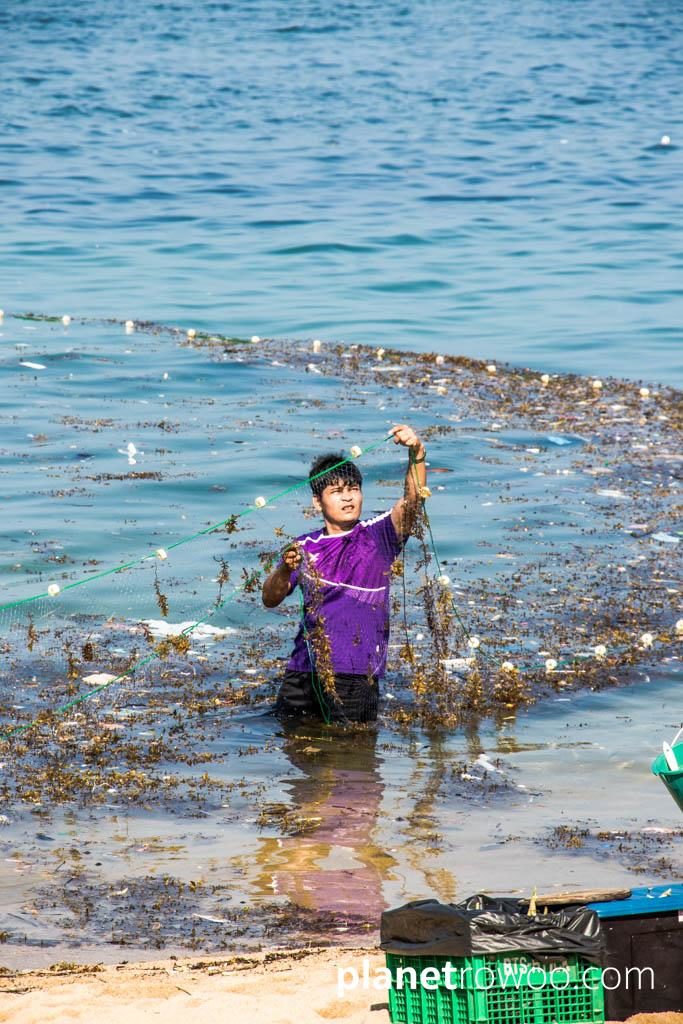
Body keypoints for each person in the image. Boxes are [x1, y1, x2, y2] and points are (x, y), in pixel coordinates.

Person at [262, 424, 427, 723]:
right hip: (303, 671)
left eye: (353, 489)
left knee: (354, 755)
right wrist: (284, 569)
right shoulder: (303, 546)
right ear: (317, 501)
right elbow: (270, 598)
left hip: (356, 673)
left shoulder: (380, 536)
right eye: (336, 491)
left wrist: (416, 454)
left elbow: (413, 502)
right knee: (295, 752)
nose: (348, 498)